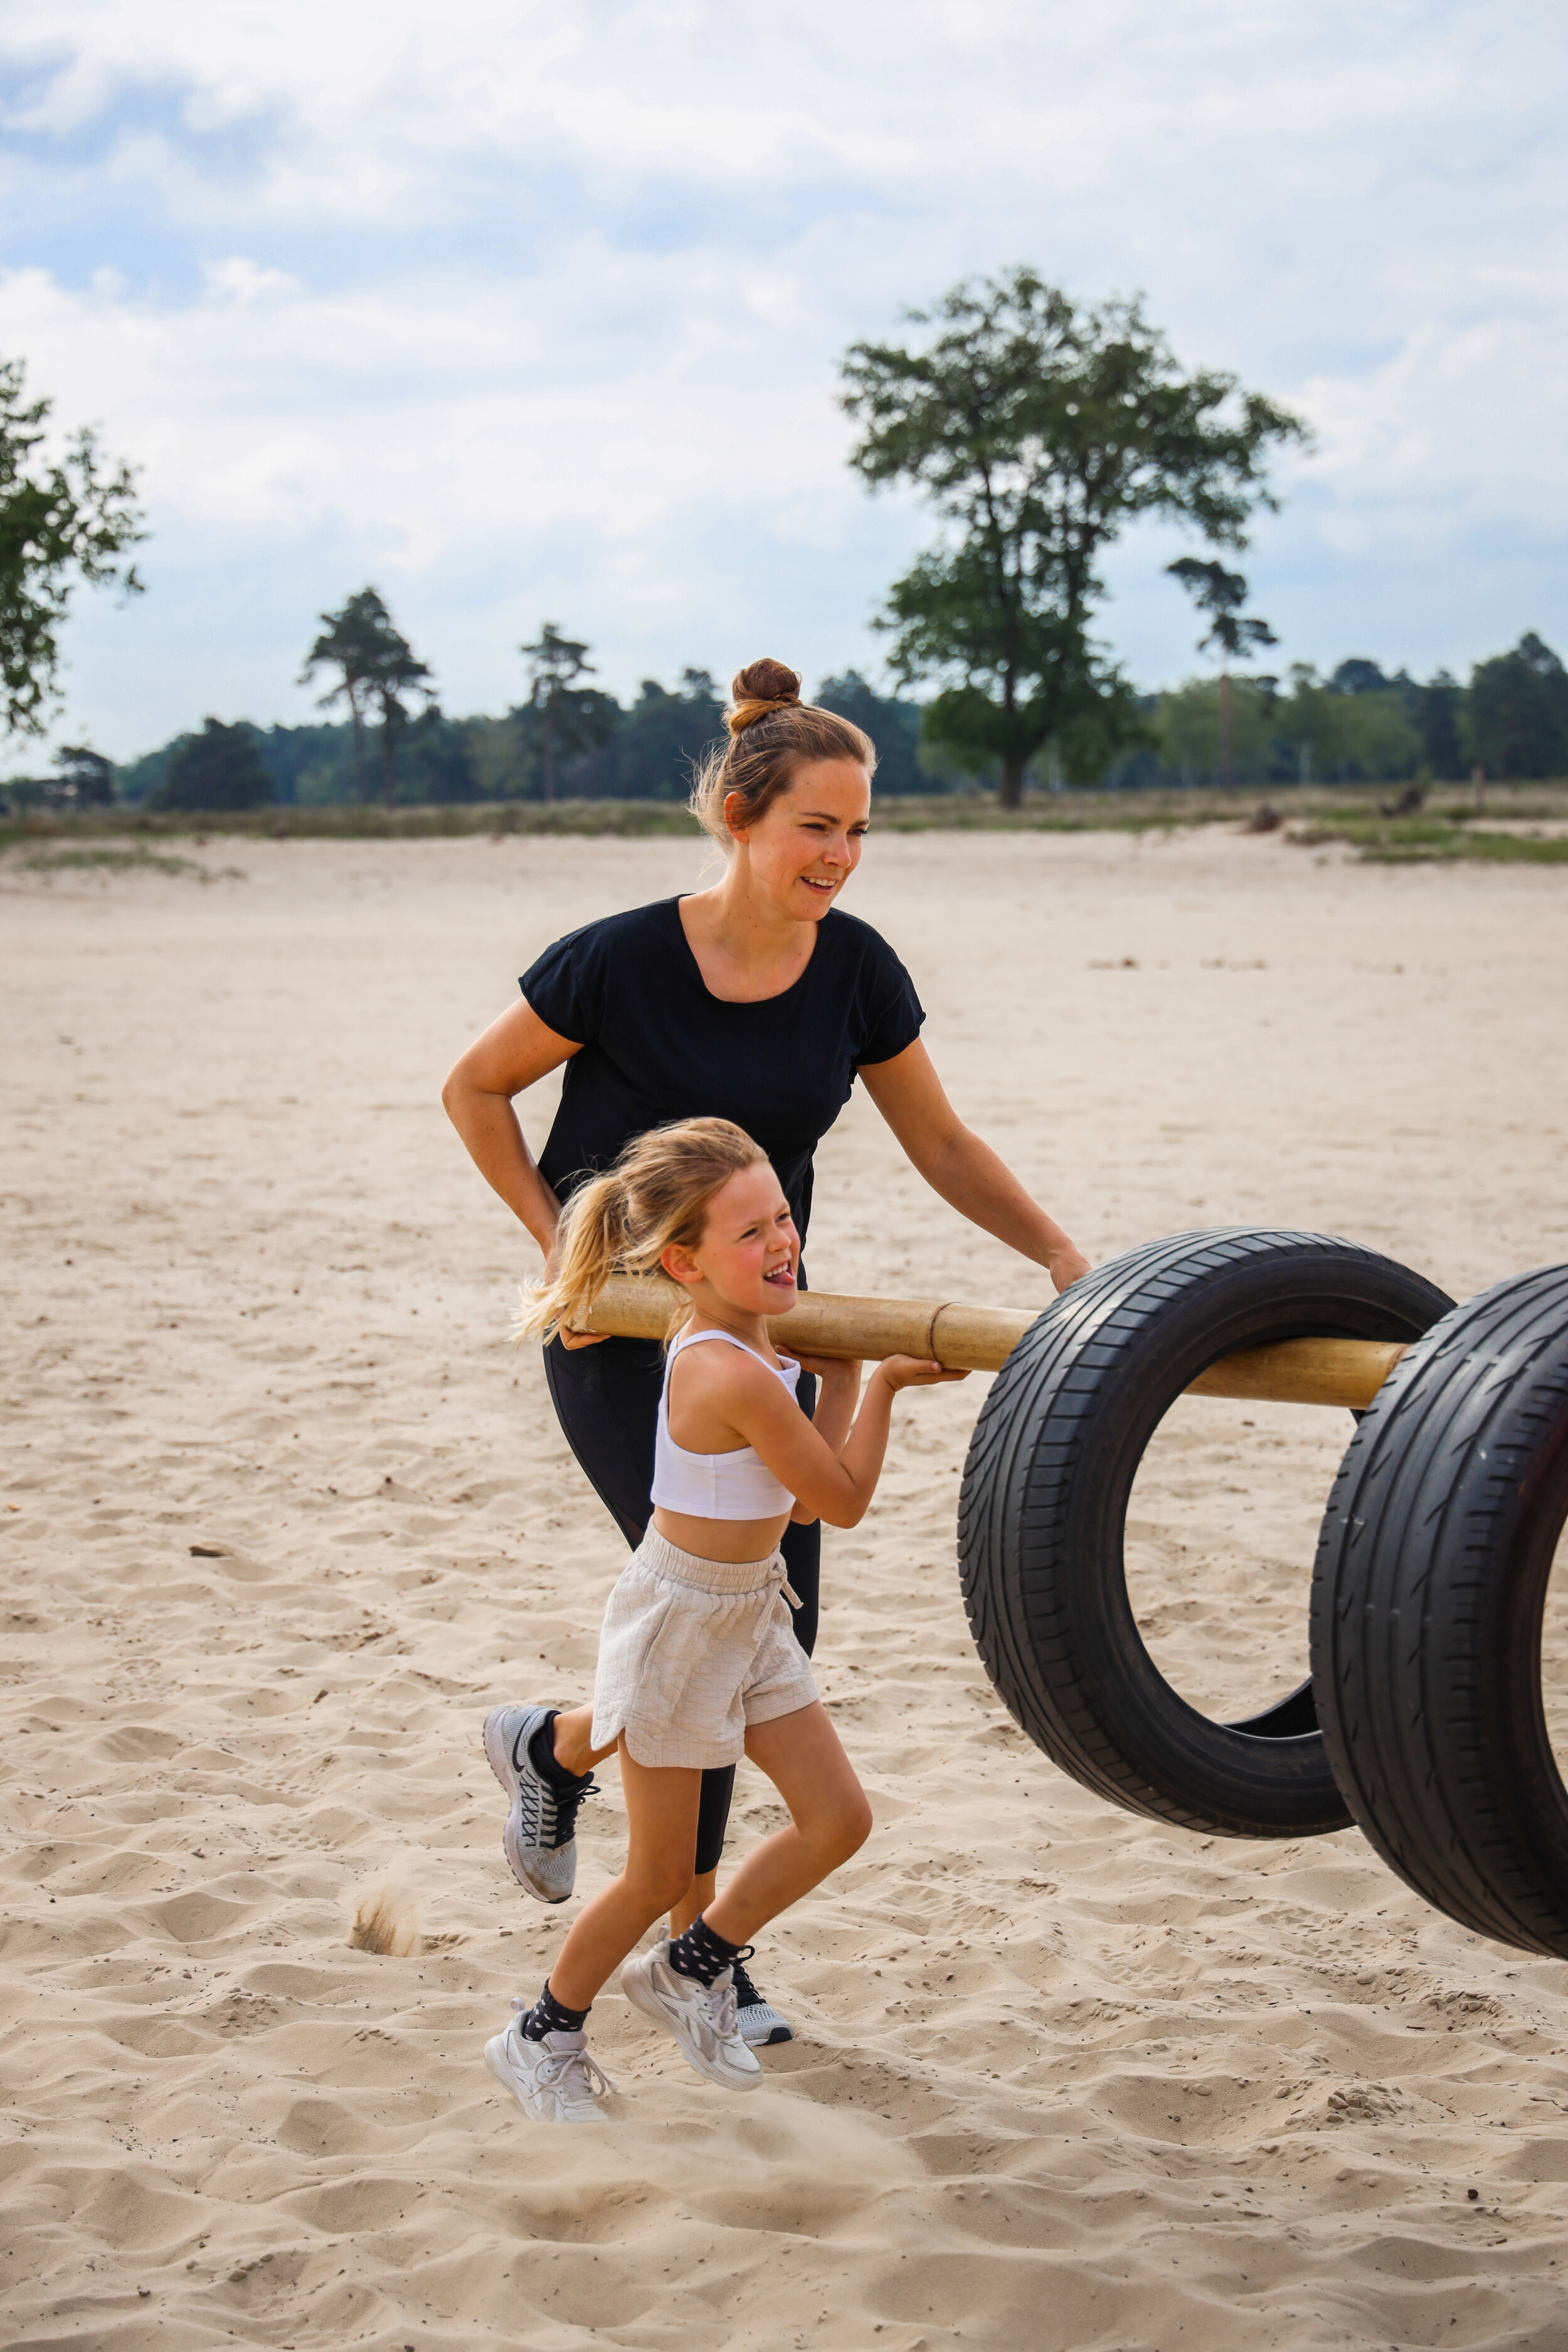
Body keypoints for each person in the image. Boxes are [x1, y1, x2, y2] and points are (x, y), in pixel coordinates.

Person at [443, 655, 1088, 2043]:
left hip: (758, 1326)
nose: (842, 857)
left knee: (747, 1620)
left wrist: (1055, 1254)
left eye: (860, 831)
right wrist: (559, 1243)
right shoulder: (616, 958)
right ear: (740, 816)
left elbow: (940, 1142)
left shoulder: (852, 970)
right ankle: (698, 1958)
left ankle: (555, 1751)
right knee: (719, 1606)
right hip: (626, 1336)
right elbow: (475, 1087)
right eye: (817, 826)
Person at [483, 1116, 964, 2123]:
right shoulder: (727, 1366)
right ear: (683, 1263)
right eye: (751, 1233)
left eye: (783, 1217)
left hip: (750, 1613)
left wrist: (831, 1376)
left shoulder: (754, 1344)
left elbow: (789, 1504)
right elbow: (839, 1500)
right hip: (681, 1621)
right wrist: (876, 1385)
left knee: (839, 1820)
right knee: (658, 1866)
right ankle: (541, 2036)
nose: (782, 1242)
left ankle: (689, 1967)